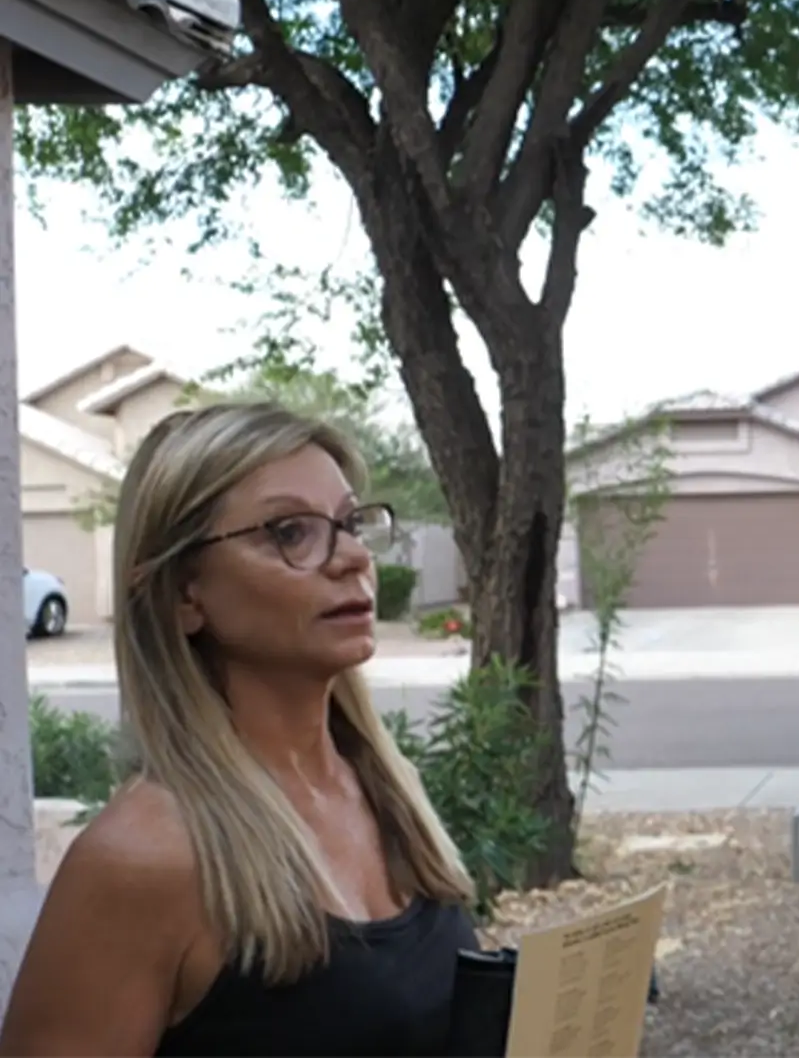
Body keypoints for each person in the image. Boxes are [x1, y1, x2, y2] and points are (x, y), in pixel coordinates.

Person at [0, 402, 477, 1058]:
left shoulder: (383, 790)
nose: (353, 558)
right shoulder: (145, 857)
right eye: (289, 532)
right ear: (182, 594)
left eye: (349, 522)